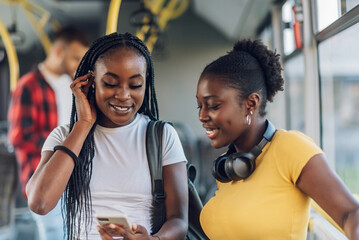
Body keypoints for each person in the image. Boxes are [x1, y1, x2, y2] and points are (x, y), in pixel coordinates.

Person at [25, 32, 188, 240]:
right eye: (111, 83)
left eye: (135, 85)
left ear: (146, 84)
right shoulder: (65, 136)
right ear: (91, 81)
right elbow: (40, 203)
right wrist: (83, 125)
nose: (123, 95)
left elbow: (179, 220)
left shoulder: (162, 136)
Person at [195, 39, 359, 239]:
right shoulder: (229, 166)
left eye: (212, 105)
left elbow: (350, 214)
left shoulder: (289, 148)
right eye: (199, 106)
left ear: (251, 103)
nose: (202, 116)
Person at [7, 25, 91, 239]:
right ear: (57, 52)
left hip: (72, 178)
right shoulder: (29, 85)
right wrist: (62, 151)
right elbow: (18, 136)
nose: (78, 65)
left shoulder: (71, 86)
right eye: (74, 58)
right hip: (43, 178)